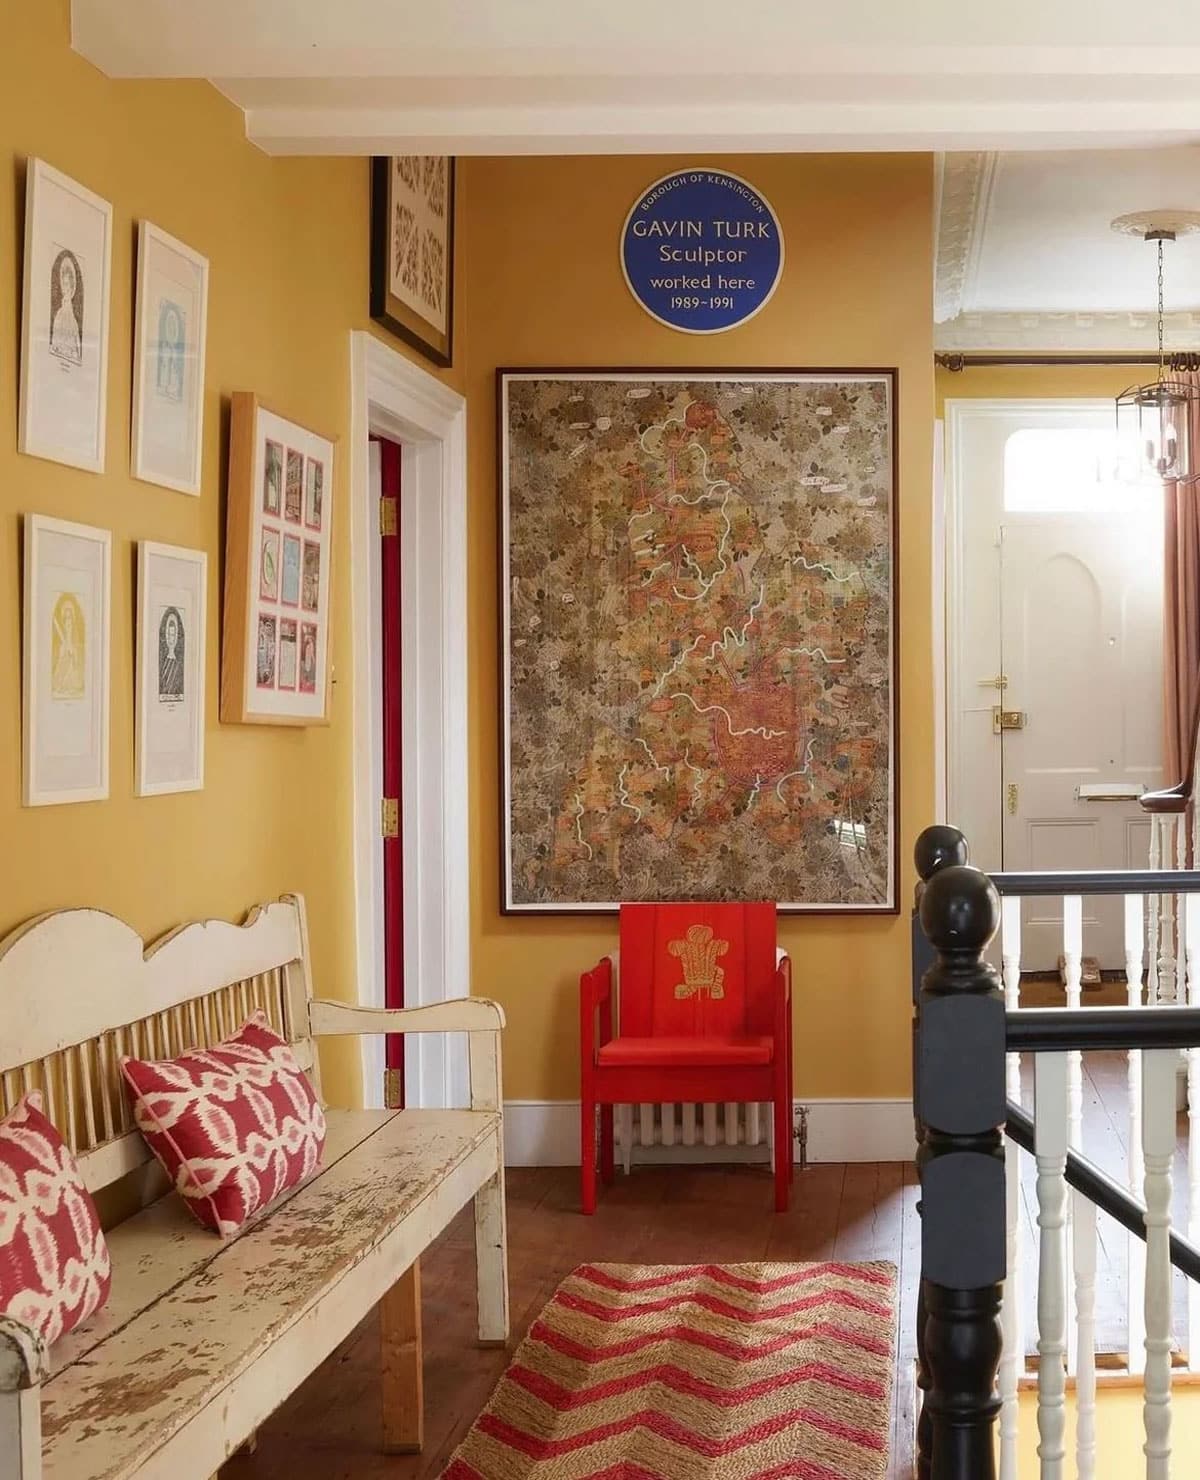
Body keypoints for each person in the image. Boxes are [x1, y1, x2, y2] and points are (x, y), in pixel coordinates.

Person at [49, 252, 82, 364]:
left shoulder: (74, 323)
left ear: (72, 287)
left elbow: (78, 356)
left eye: (68, 284)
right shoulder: (59, 316)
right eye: (64, 284)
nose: (66, 288)